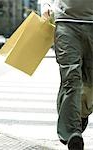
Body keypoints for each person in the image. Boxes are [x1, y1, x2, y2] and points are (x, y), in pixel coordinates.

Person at [41, 0, 93, 150]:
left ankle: (81, 113)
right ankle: (72, 133)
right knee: (71, 78)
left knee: (90, 83)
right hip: (66, 23)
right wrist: (45, 4)